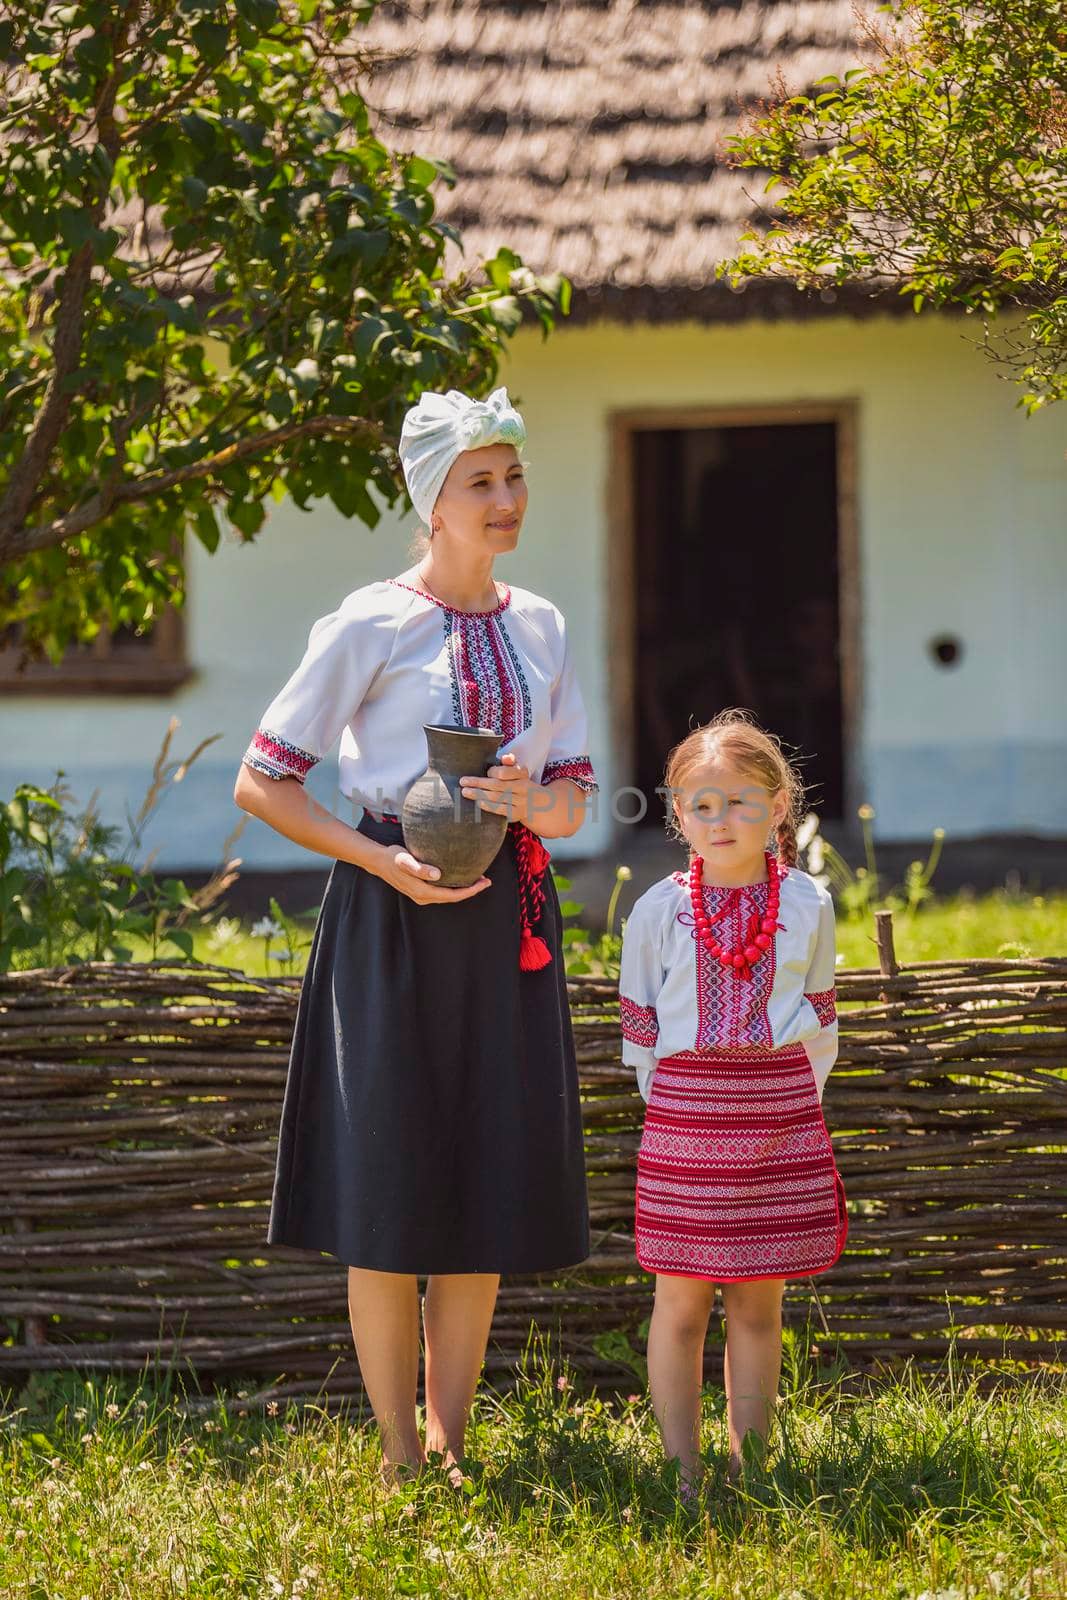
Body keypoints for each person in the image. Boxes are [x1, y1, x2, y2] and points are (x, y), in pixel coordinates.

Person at [233, 386, 598, 1487]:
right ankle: (397, 1452)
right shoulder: (368, 621)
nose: (503, 499)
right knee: (388, 1186)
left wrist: (529, 800)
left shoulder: (540, 625)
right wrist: (378, 857)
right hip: (385, 918)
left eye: (513, 477)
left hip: (503, 921)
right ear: (428, 500)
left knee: (481, 1178)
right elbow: (263, 783)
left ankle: (450, 1441)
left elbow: (579, 802)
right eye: (478, 482)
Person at [618, 708, 847, 1497]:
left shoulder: (809, 904)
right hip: (683, 1120)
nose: (721, 821)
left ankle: (754, 1468)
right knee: (679, 1299)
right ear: (677, 814)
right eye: (701, 806)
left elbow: (819, 1013)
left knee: (757, 1300)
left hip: (779, 1115)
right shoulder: (654, 912)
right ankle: (681, 1470)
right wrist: (678, 1105)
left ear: (778, 805)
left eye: (741, 802)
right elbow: (640, 1028)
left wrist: (787, 1098)